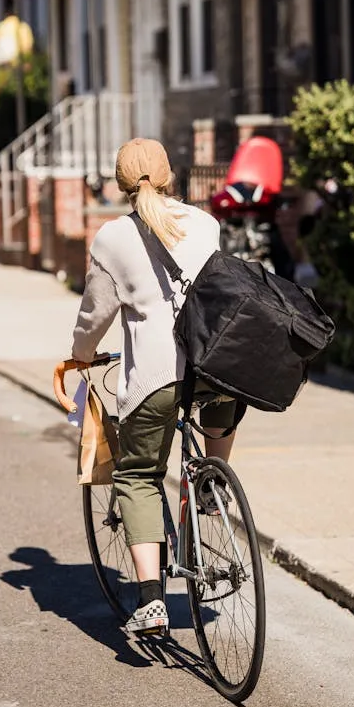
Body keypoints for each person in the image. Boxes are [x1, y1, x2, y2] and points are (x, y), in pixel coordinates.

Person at [71, 138, 240, 636]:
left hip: (157, 376)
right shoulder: (205, 223)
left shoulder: (111, 238)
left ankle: (151, 603)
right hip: (219, 368)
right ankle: (214, 477)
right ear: (170, 176)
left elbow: (94, 315)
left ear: (121, 183)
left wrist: (81, 356)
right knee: (220, 403)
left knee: (138, 475)